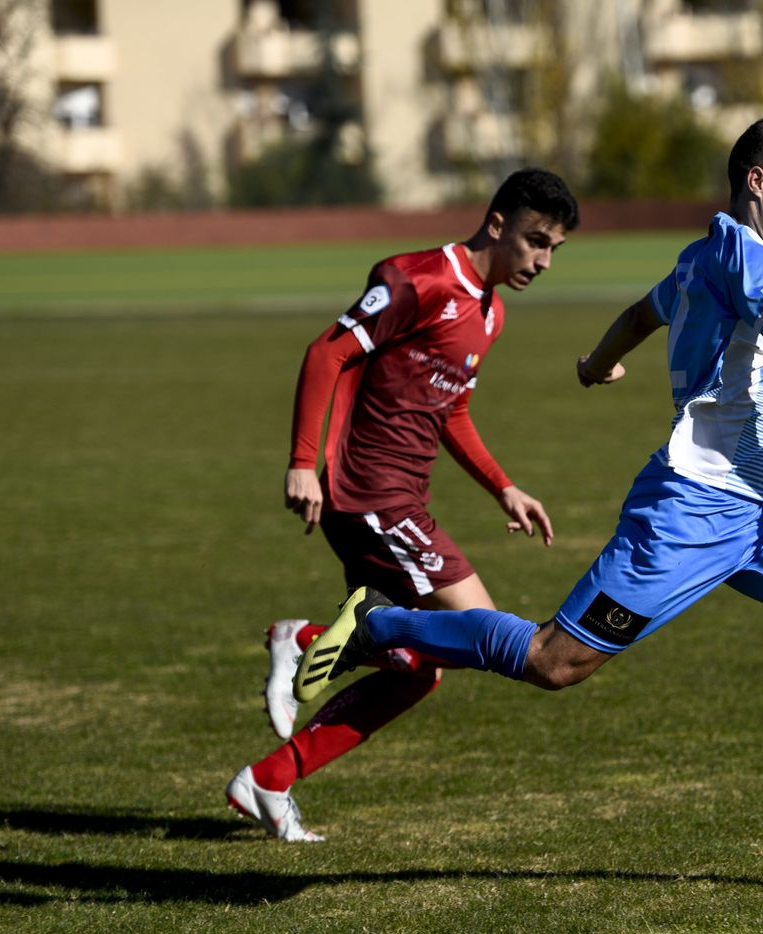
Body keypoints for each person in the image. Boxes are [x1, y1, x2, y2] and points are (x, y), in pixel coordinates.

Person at [296, 116, 763, 844]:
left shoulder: (701, 257)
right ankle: (376, 628)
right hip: (689, 516)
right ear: (758, 182)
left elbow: (644, 311)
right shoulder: (743, 260)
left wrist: (596, 364)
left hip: (761, 516)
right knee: (551, 662)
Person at [225, 168, 581, 842]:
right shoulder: (416, 279)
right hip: (367, 491)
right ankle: (301, 640)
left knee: (419, 671)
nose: (543, 259)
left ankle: (271, 778)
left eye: (555, 249)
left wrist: (502, 484)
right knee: (487, 630)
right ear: (497, 223)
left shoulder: (490, 312)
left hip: (402, 498)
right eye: (535, 240)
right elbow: (325, 353)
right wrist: (304, 462)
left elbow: (453, 411)